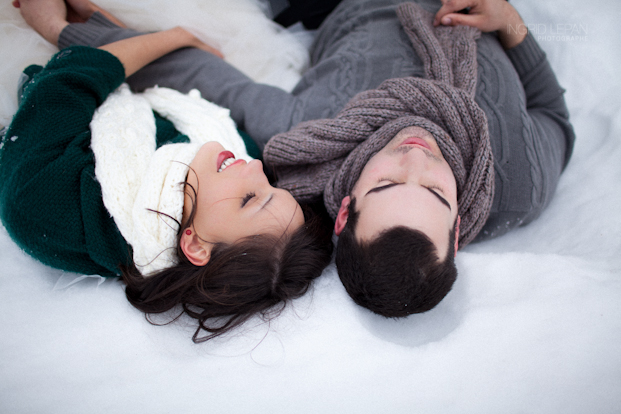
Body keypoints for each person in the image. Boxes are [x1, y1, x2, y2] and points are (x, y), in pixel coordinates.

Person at [44, 0, 574, 317]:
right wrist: (510, 23)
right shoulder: (519, 184)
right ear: (458, 228)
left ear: (345, 210)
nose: (418, 158)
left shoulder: (312, 141)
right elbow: (552, 112)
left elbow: (201, 75)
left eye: (388, 186)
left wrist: (66, 33)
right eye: (436, 192)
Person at [0, 0, 333, 343]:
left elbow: (75, 75)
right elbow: (156, 77)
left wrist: (177, 36)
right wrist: (105, 26)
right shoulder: (228, 147)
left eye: (249, 199)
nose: (256, 166)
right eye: (273, 188)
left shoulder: (47, 204)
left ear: (197, 247)